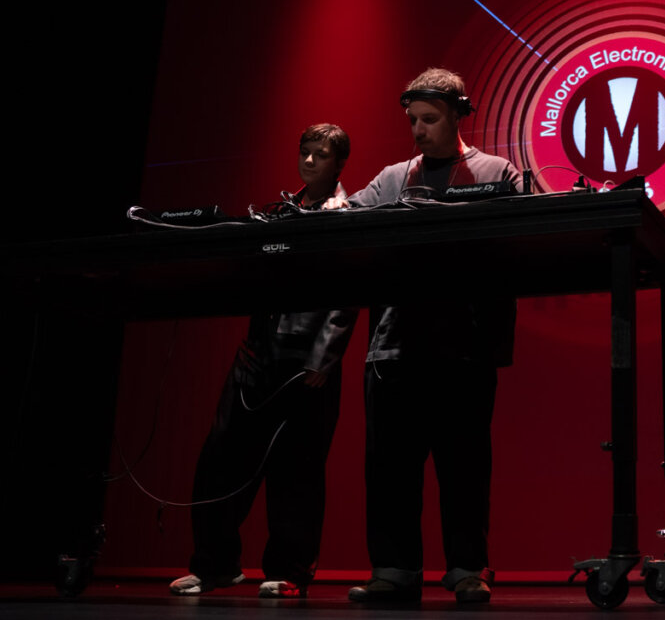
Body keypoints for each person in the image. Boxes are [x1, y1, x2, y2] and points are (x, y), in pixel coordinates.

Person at [329, 68, 519, 605]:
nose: (418, 130)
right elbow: (344, 219)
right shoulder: (393, 177)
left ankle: (467, 568)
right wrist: (329, 206)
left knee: (464, 468)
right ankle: (394, 570)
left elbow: (521, 241)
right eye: (412, 120)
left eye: (429, 119)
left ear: (458, 114)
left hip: (464, 349)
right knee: (390, 470)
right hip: (395, 350)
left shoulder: (497, 171)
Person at [169, 123, 356, 599]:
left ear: (339, 163)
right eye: (305, 152)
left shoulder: (348, 214)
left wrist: (323, 358)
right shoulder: (279, 211)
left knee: (297, 470)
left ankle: (290, 570)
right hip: (258, 355)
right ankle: (214, 564)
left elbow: (347, 293)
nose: (309, 161)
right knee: (220, 459)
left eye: (320, 154)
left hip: (307, 362)